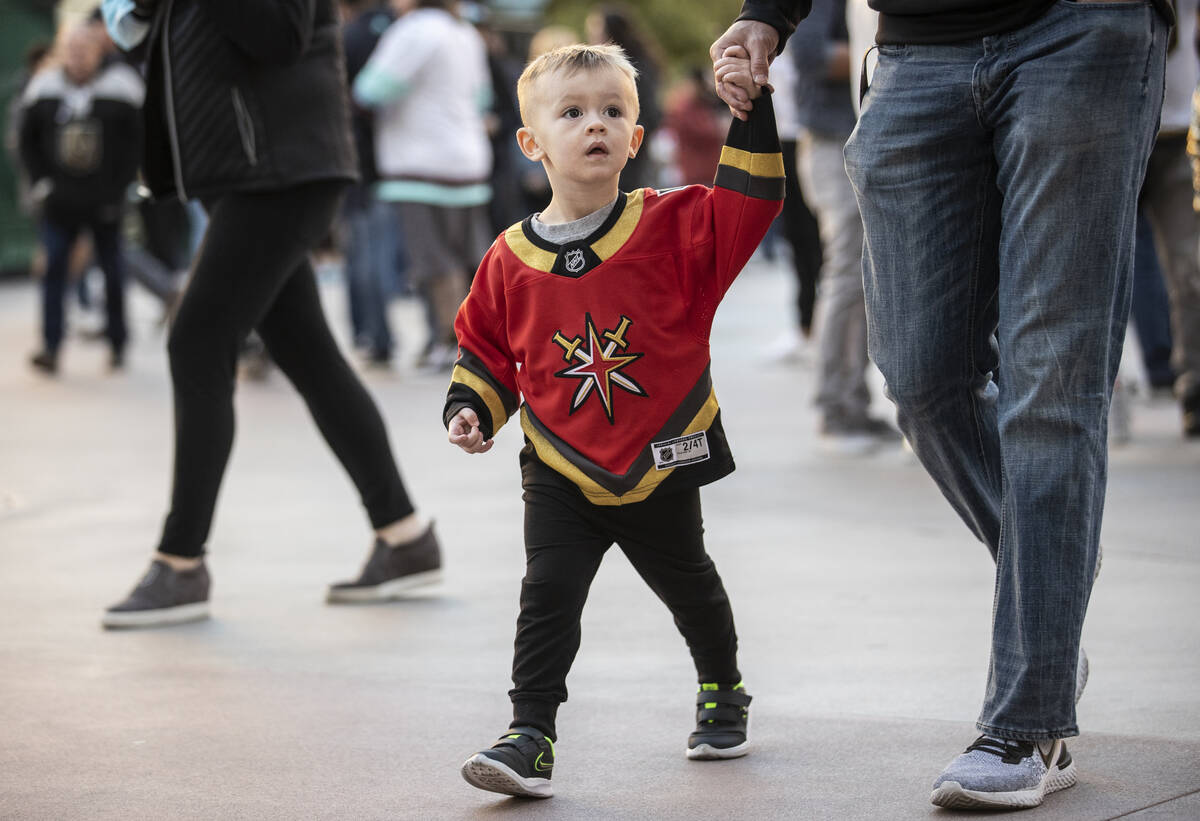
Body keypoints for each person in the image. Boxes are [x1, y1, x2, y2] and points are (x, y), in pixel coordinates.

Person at [714, 0, 1170, 811]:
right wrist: (768, 14)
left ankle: (1027, 721)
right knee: (921, 377)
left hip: (1078, 28)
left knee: (1049, 380)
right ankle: (1051, 602)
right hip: (917, 49)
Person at [444, 44, 783, 799]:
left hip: (659, 453)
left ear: (635, 138)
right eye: (571, 113)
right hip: (561, 466)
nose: (594, 124)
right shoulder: (507, 258)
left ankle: (723, 686)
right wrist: (471, 406)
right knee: (548, 593)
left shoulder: (675, 225)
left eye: (612, 111)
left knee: (690, 585)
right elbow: (489, 352)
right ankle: (530, 733)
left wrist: (753, 111)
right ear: (531, 144)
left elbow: (749, 204)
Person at [98, 0, 441, 629]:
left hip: (279, 168)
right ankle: (404, 535)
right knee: (307, 353)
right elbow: (147, 42)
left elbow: (279, 34)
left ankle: (180, 563)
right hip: (249, 170)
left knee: (196, 340)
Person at [353, 0, 494, 371]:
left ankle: (452, 345)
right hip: (469, 160)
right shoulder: (465, 32)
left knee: (434, 261)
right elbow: (483, 98)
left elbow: (370, 89)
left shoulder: (412, 30)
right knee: (465, 258)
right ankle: (472, 341)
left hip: (421, 165)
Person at [17, 22, 142, 375]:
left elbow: (137, 145)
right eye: (71, 50)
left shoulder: (122, 87)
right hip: (60, 202)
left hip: (106, 201)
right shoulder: (45, 87)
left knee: (114, 271)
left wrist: (119, 190)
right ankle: (51, 346)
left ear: (98, 50)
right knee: (54, 269)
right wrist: (42, 183)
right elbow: (26, 140)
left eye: (83, 49)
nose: (77, 57)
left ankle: (118, 343)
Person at [337, 0, 400, 367]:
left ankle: (372, 335)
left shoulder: (350, 35)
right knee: (383, 254)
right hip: (400, 161)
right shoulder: (398, 27)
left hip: (358, 161)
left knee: (364, 254)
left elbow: (356, 96)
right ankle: (378, 335)